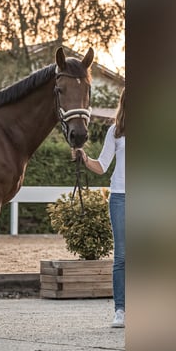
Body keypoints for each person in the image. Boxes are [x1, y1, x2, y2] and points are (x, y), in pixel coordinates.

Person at [74, 88, 125, 328]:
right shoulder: (115, 131)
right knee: (122, 257)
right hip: (121, 197)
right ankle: (121, 310)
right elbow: (102, 166)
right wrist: (85, 158)